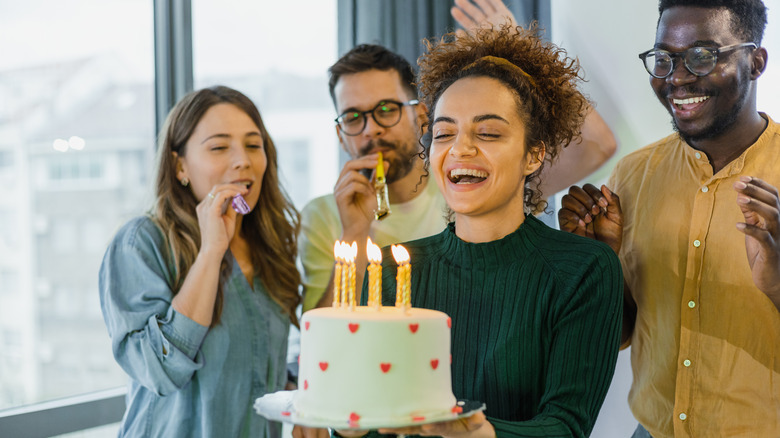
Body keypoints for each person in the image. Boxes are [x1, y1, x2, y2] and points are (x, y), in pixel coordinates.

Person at [344, 24, 624, 438]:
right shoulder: (390, 270)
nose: (460, 149)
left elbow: (567, 425)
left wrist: (475, 433)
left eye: (488, 133)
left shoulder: (584, 269)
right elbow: (365, 420)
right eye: (443, 133)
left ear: (533, 154)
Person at [299, 0, 618, 313]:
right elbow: (323, 342)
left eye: (387, 110)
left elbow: (597, 144)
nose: (371, 129)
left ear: (422, 118)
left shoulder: (472, 180)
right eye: (353, 118)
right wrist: (354, 232)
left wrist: (521, 45)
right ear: (340, 135)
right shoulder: (325, 216)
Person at [557, 1, 780, 437]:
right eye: (664, 59)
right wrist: (601, 265)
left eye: (703, 55)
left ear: (755, 62)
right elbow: (620, 331)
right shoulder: (632, 176)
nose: (676, 77)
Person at [99, 86, 301, 437]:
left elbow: (263, 370)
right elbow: (160, 371)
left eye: (254, 145)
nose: (243, 160)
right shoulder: (141, 243)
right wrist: (210, 252)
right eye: (220, 147)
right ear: (180, 166)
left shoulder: (269, 245)